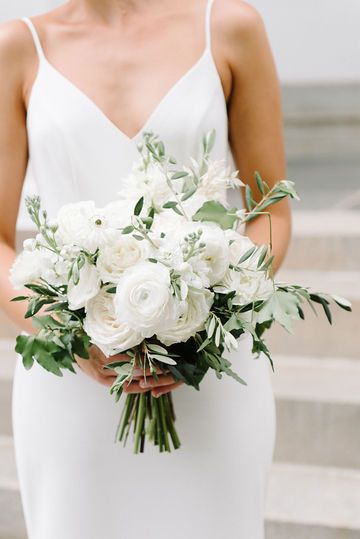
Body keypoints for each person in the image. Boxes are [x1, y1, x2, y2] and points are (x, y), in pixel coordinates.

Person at [0, 0, 291, 537]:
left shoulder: (230, 28)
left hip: (211, 370)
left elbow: (269, 210)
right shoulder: (17, 48)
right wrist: (68, 337)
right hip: (73, 381)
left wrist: (207, 313)